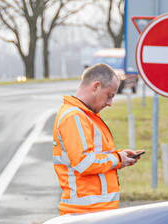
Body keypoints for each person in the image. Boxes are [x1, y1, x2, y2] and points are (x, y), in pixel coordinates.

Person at [52, 64, 144, 215]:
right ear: (96, 86)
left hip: (92, 212)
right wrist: (117, 158)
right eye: (110, 95)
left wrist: (121, 158)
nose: (110, 103)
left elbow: (94, 155)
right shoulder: (75, 117)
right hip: (84, 213)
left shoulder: (85, 116)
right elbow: (84, 163)